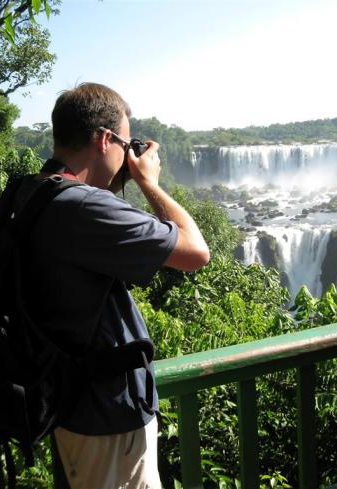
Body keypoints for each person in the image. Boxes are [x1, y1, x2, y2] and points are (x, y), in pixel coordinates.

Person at [14, 82, 210, 489]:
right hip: (107, 417)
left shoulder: (34, 191)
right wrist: (149, 183)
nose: (129, 154)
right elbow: (196, 252)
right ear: (105, 139)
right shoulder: (84, 206)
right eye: (125, 142)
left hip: (69, 403)